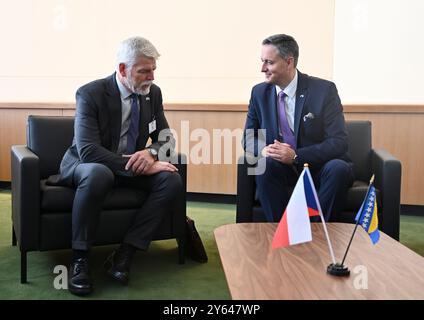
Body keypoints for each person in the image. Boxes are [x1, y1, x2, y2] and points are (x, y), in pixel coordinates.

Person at [57, 36, 182, 296]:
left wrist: (150, 154)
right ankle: (80, 259)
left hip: (129, 166)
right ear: (123, 69)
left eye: (153, 70)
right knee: (98, 173)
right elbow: (89, 150)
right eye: (144, 71)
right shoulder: (91, 93)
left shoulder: (152, 94)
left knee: (171, 179)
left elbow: (165, 138)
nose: (151, 77)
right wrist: (140, 165)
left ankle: (125, 253)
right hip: (86, 164)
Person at [243, 34, 354, 223]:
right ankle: (281, 235)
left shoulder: (323, 90)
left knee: (339, 168)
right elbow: (249, 137)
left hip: (319, 167)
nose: (263, 69)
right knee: (263, 165)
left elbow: (338, 142)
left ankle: (318, 238)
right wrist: (264, 149)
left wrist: (295, 156)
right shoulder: (259, 93)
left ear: (288, 62)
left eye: (269, 62)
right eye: (262, 61)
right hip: (280, 169)